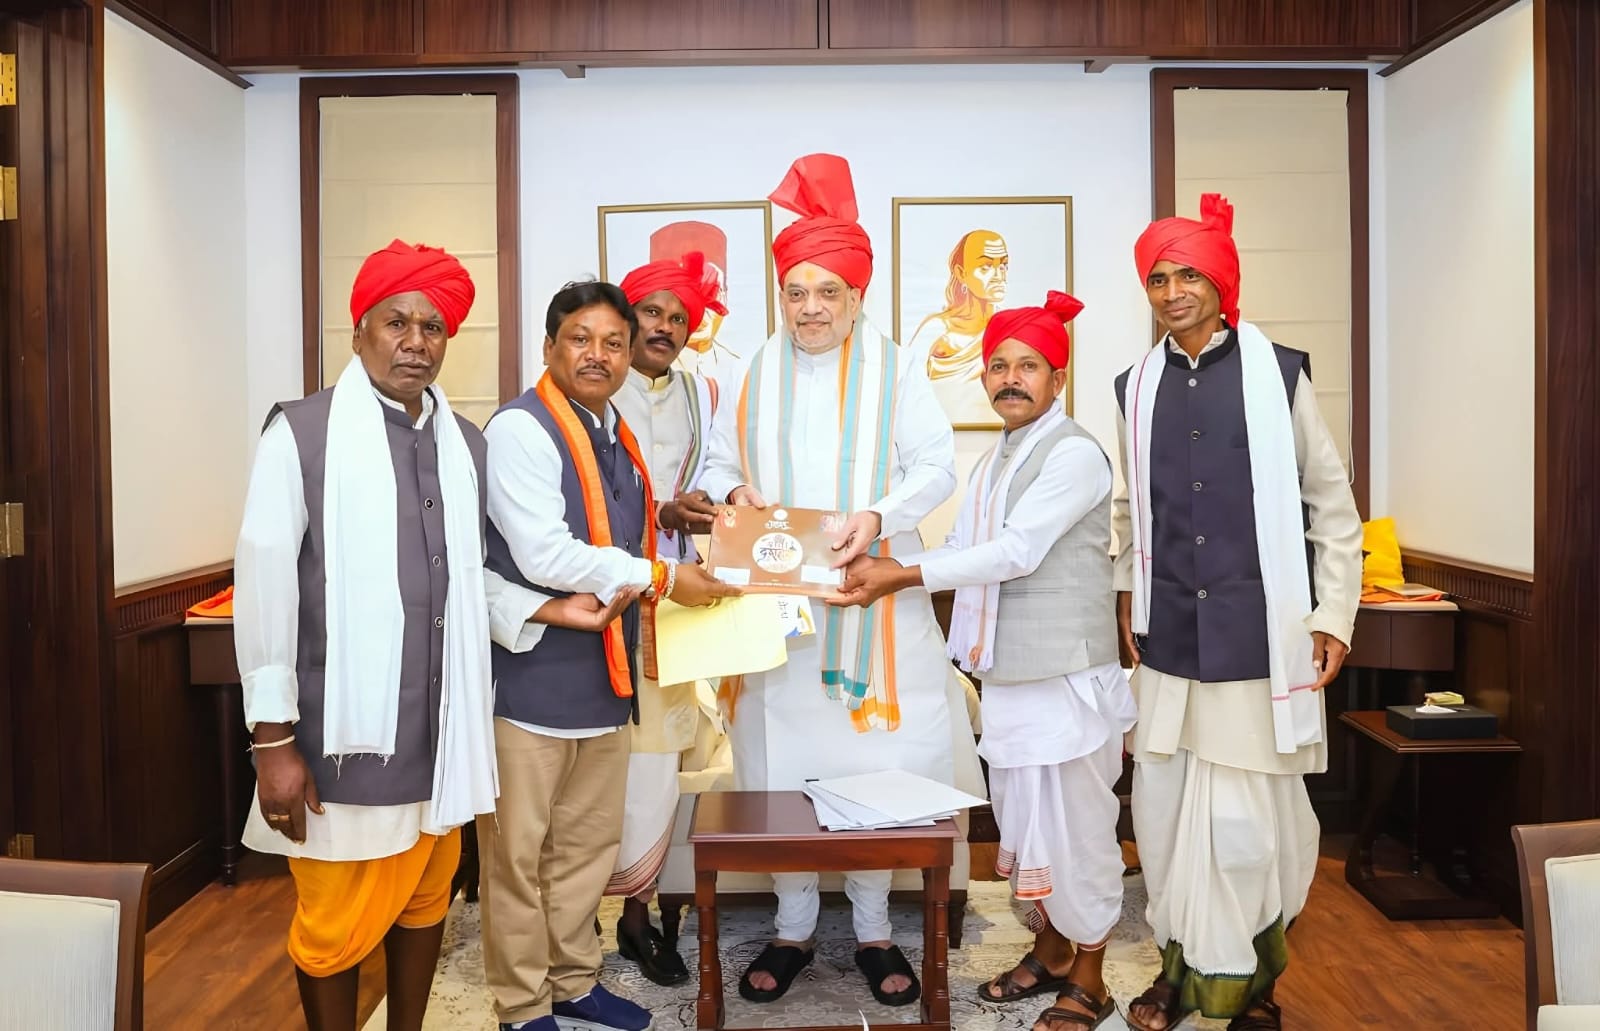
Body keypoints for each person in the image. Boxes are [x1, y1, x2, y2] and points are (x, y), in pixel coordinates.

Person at [699, 153, 979, 1009]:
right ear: (780, 295)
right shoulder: (750, 369)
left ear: (857, 295)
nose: (811, 307)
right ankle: (791, 926)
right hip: (777, 613)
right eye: (796, 292)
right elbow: (716, 464)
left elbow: (937, 466)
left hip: (874, 606)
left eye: (828, 291)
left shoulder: (897, 368)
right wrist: (736, 496)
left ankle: (872, 929)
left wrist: (878, 513)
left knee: (876, 766)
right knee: (780, 762)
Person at [835, 292, 1135, 1030]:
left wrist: (898, 575)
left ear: (1057, 377)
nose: (1010, 379)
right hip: (1011, 676)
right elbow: (967, 548)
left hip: (1065, 678)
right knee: (1030, 824)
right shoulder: (1001, 456)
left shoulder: (1073, 454)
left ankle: (1091, 976)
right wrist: (886, 562)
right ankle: (1054, 949)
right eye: (998, 366)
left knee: (1077, 829)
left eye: (1028, 366)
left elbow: (1015, 552)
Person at [233, 240, 501, 1031]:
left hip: (441, 738)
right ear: (358, 333)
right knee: (332, 928)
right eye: (396, 322)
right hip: (342, 743)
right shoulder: (300, 434)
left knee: (426, 900)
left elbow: (478, 583)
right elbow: (266, 587)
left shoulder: (466, 445)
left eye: (433, 326)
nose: (416, 341)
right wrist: (273, 743)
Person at [1113, 195, 1362, 1031]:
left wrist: (1334, 614)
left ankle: (1247, 985)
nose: (1173, 291)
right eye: (1158, 278)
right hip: (1168, 643)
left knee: (1248, 827)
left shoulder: (1279, 374)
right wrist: (1126, 592)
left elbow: (1332, 506)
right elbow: (1131, 510)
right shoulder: (1134, 387)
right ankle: (1176, 969)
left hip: (1259, 640)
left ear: (1222, 283)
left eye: (1189, 274)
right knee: (1165, 817)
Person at [475, 279, 738, 1031]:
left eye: (613, 343)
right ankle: (523, 1004)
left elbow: (626, 532)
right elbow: (546, 552)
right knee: (519, 857)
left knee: (585, 849)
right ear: (549, 346)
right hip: (530, 681)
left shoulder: (614, 431)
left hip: (605, 678)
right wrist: (664, 576)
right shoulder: (521, 430)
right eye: (581, 339)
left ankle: (573, 981)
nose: (599, 355)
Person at [604, 250, 729, 985]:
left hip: (676, 598)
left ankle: (644, 910)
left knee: (663, 758)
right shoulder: (596, 385)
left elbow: (716, 470)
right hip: (602, 599)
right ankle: (594, 916)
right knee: (608, 762)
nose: (665, 327)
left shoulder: (701, 392)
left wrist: (709, 503)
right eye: (651, 312)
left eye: (679, 317)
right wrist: (659, 514)